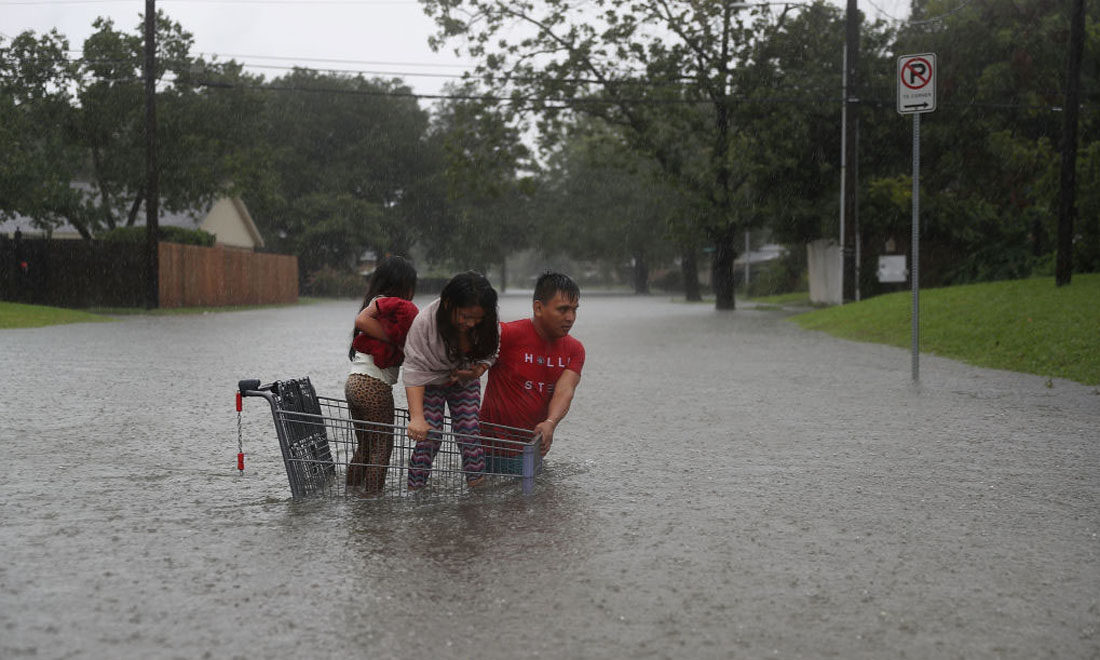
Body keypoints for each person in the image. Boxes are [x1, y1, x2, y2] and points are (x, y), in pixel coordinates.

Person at [402, 271, 499, 490]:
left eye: (477, 318)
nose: (471, 323)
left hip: (465, 380)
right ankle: (414, 491)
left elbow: (491, 351)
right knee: (430, 436)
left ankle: (477, 489)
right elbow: (414, 369)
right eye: (465, 316)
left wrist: (475, 372)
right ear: (448, 304)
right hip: (430, 381)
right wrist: (417, 418)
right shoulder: (424, 322)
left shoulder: (487, 324)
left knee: (469, 431)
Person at [479, 271, 585, 472]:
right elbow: (472, 365)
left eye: (574, 310)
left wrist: (550, 422)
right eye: (562, 309)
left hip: (529, 451)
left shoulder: (575, 349)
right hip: (486, 450)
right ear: (538, 308)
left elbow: (565, 391)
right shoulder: (506, 335)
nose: (570, 318)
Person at [344, 256, 419, 495]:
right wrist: (396, 340)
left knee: (366, 447)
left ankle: (352, 492)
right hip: (373, 386)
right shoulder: (387, 304)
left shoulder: (377, 305)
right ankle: (373, 501)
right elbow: (362, 322)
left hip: (354, 383)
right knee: (381, 448)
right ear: (402, 286)